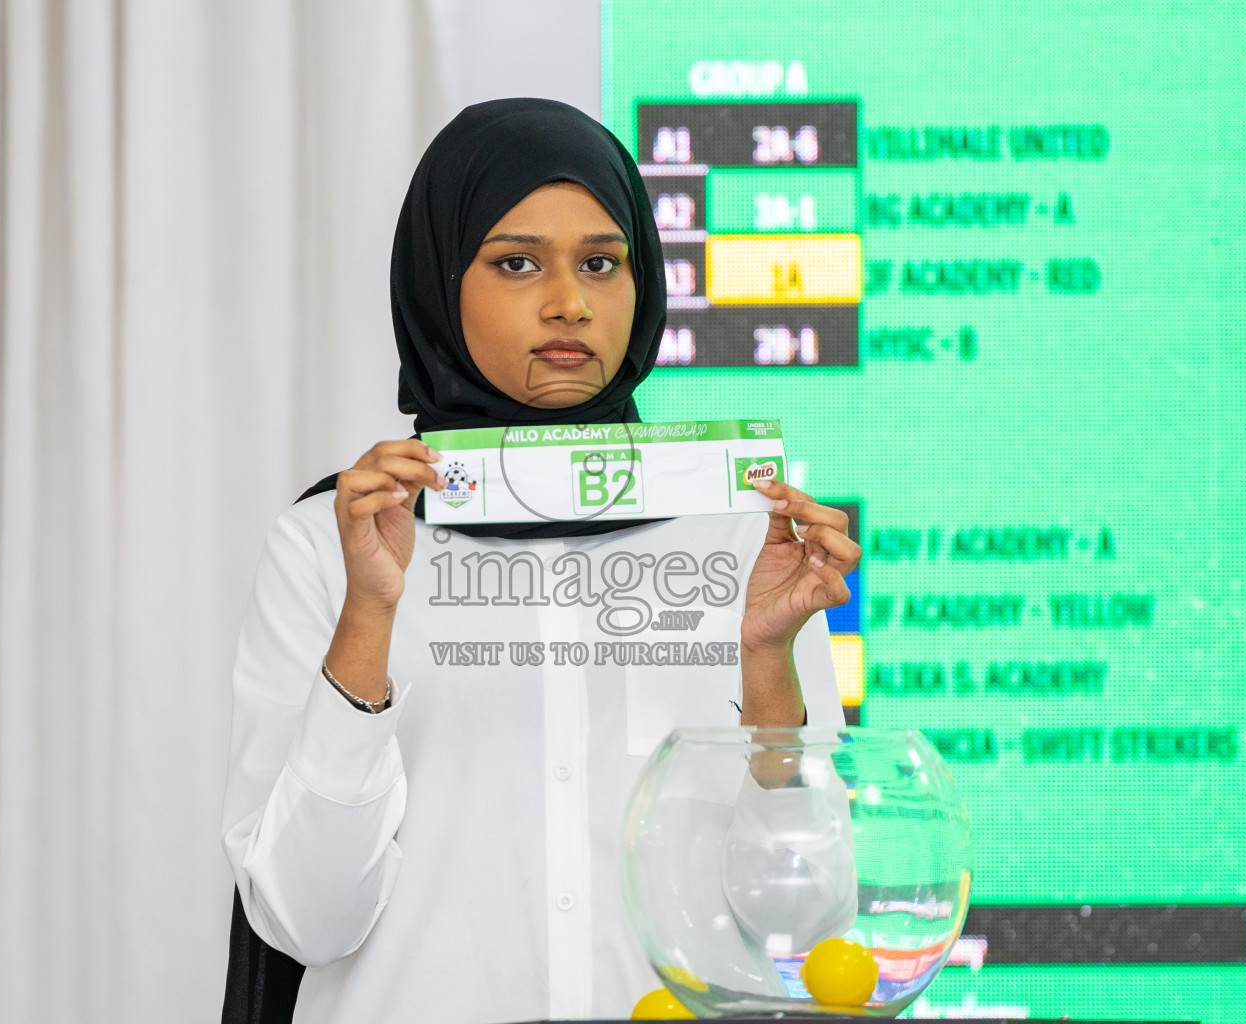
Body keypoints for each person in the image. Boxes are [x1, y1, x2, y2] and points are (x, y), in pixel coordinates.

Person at [219, 97, 862, 1024]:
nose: (570, 302)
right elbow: (304, 922)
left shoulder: (745, 543)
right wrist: (369, 618)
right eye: (516, 263)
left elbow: (803, 918)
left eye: (601, 263)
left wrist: (766, 667)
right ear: (440, 282)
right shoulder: (328, 545)